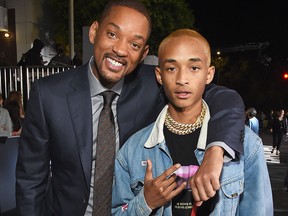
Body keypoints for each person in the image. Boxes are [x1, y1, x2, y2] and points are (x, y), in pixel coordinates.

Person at [15, 1, 245, 215]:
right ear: (94, 32)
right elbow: (30, 180)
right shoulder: (48, 94)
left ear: (143, 53)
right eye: (112, 34)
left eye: (134, 44)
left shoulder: (154, 84)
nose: (121, 50)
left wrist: (216, 152)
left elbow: (225, 98)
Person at [112, 28, 273, 216]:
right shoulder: (133, 150)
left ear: (209, 74)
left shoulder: (248, 146)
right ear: (159, 75)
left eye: (194, 68)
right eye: (171, 68)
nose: (182, 79)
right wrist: (145, 202)